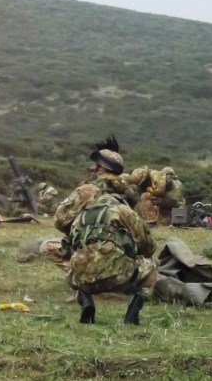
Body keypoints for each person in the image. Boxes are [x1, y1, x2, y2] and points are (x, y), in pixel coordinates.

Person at [54, 135, 157, 325]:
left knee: (57, 248)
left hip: (80, 272)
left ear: (101, 168)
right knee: (151, 264)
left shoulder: (85, 191)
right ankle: (133, 313)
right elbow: (147, 245)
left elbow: (60, 221)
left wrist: (82, 228)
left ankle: (84, 297)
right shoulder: (127, 198)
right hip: (118, 268)